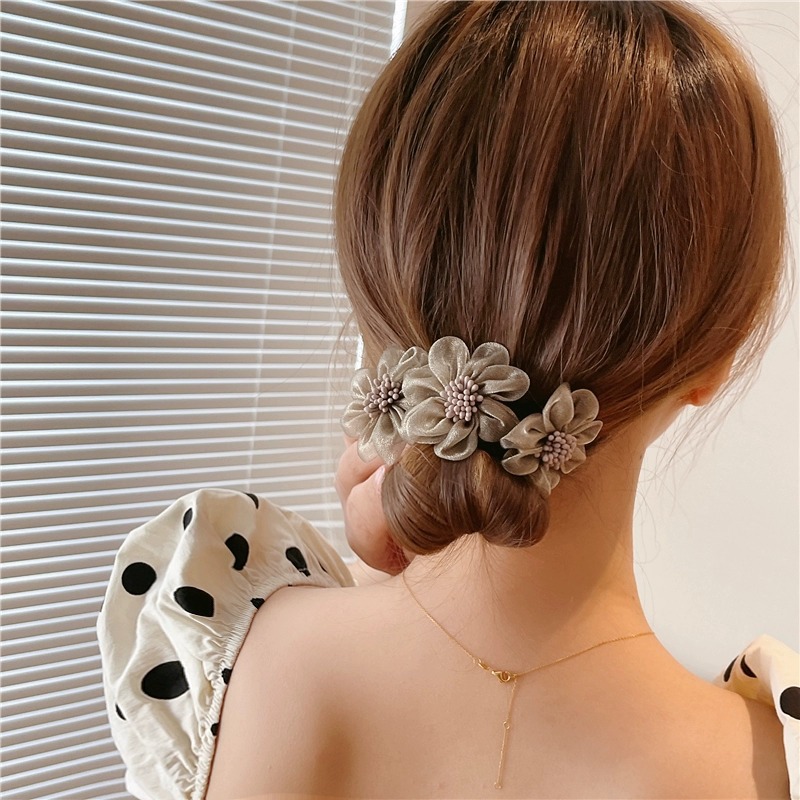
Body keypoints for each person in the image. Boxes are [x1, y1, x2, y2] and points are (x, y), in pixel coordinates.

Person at [97, 1, 799, 798]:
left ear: (376, 288)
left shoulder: (236, 648)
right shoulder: (767, 765)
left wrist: (396, 542)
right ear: (718, 353)